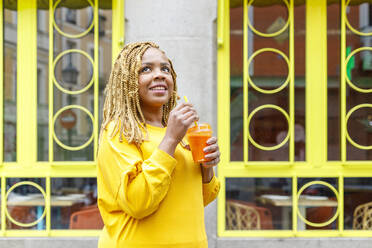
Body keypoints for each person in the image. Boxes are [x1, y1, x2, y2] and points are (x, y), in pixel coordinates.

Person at [97, 41, 220, 248]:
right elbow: (138, 203)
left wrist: (207, 168)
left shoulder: (183, 132)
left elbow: (199, 200)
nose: (160, 74)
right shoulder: (119, 131)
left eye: (165, 69)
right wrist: (170, 140)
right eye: (146, 69)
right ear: (127, 81)